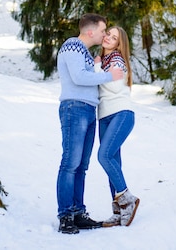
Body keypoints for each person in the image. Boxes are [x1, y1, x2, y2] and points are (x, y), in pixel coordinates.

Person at [55, 13, 124, 234]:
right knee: (70, 163)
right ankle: (66, 215)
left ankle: (78, 212)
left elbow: (86, 74)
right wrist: (108, 76)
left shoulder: (83, 52)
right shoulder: (73, 45)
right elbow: (79, 78)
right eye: (103, 31)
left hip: (87, 109)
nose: (105, 35)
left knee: (81, 166)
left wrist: (96, 67)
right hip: (74, 108)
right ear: (91, 31)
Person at [94, 26, 140, 227]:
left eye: (114, 38)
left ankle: (127, 199)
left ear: (118, 44)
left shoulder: (116, 60)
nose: (108, 39)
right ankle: (119, 210)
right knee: (113, 163)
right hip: (105, 116)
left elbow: (112, 86)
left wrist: (96, 69)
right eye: (108, 35)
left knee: (103, 156)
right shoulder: (103, 61)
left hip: (121, 113)